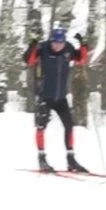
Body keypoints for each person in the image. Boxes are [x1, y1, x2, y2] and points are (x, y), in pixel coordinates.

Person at [23, 27, 89, 173]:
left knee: (69, 126)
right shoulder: (44, 48)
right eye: (55, 42)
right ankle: (42, 158)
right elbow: (29, 60)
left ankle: (71, 159)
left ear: (64, 42)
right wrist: (33, 43)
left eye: (60, 43)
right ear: (51, 41)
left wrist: (83, 45)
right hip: (45, 95)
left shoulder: (68, 49)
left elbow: (82, 60)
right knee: (42, 126)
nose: (57, 46)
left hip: (61, 97)